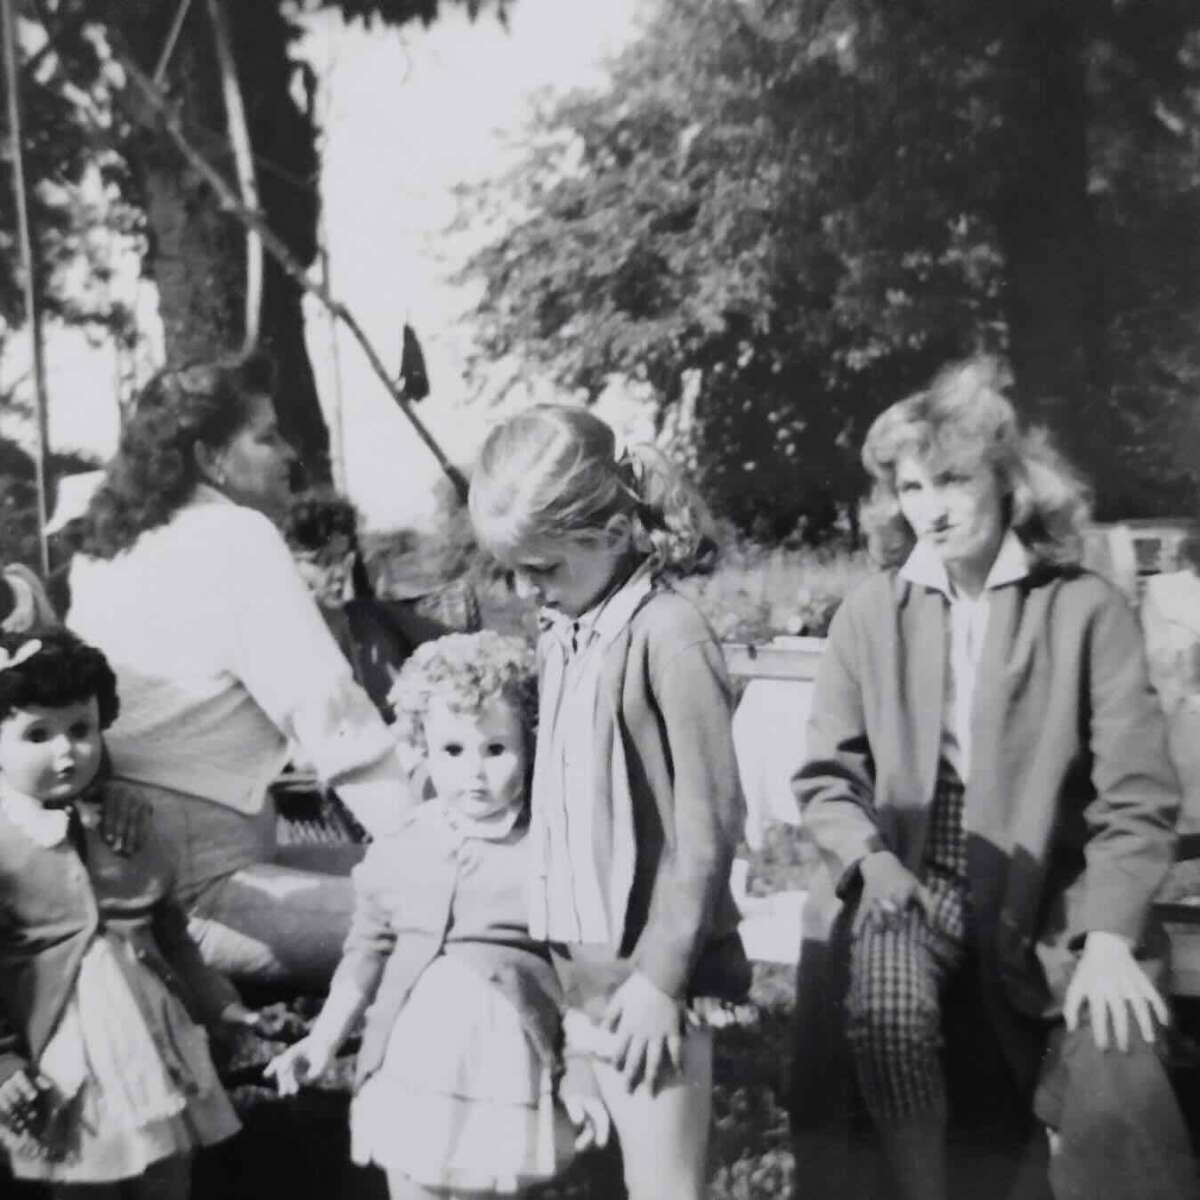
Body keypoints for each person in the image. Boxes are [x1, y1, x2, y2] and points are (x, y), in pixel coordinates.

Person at [790, 357, 1197, 1200]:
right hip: (916, 872)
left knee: (1116, 1054)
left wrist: (1112, 936)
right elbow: (829, 776)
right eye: (909, 487)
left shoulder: (1085, 607)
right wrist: (871, 861)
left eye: (952, 479)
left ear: (1008, 481)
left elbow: (1138, 794)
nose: (930, 507)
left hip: (1053, 894)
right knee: (886, 1010)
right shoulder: (873, 612)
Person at [468, 406, 751, 1200]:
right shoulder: (568, 631)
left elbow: (709, 825)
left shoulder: (668, 636)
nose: (529, 590)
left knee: (666, 1188)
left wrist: (662, 979)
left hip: (655, 980)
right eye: (516, 572)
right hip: (587, 975)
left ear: (616, 532)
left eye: (545, 568)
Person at [66, 355, 412, 988]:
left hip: (146, 868)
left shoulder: (107, 549)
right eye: (267, 435)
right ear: (209, 458)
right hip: (196, 896)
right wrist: (435, 847)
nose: (290, 454)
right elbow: (330, 715)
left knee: (443, 881)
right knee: (464, 911)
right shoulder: (232, 535)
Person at [266, 631, 590, 1198]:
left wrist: (584, 1067)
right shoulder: (404, 844)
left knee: (490, 1181)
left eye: (496, 749)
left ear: (531, 747)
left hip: (503, 1061)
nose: (475, 773)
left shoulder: (546, 850)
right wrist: (322, 1041)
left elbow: (582, 970)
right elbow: (366, 952)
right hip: (414, 1058)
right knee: (412, 1175)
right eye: (453, 751)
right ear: (421, 748)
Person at [0, 630, 273, 1198]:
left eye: (81, 730)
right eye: (36, 734)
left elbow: (171, 935)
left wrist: (222, 1005)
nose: (65, 751)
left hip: (151, 1044)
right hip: (62, 1060)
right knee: (83, 1179)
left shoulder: (117, 823)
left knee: (167, 1172)